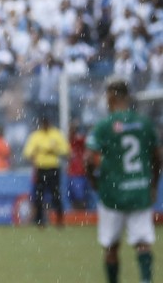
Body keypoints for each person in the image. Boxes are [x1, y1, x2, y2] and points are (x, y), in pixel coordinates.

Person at [86, 78, 162, 283]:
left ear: (111, 96)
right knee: (143, 242)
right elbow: (157, 156)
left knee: (111, 246)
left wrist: (93, 181)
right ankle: (146, 280)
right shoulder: (144, 124)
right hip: (139, 190)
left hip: (112, 193)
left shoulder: (104, 126)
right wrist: (153, 184)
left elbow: (88, 158)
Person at [23, 114, 70, 227]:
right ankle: (39, 220)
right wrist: (37, 151)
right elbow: (27, 153)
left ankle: (59, 220)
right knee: (39, 195)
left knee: (56, 194)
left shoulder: (56, 134)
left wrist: (54, 150)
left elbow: (66, 150)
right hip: (40, 169)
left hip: (53, 168)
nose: (44, 126)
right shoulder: (35, 136)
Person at [67, 119, 91, 210]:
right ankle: (78, 217)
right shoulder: (73, 141)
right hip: (74, 173)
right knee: (74, 197)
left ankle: (81, 217)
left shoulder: (81, 140)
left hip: (80, 173)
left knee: (81, 196)